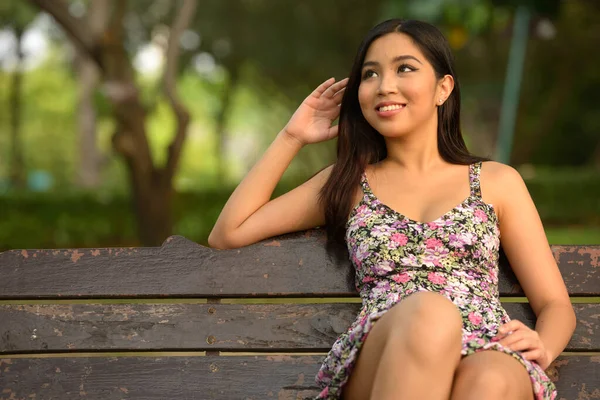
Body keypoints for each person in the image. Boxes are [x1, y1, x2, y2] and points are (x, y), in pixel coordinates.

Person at [208, 18, 575, 400]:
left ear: (443, 88)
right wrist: (292, 137)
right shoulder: (349, 182)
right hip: (388, 347)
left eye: (405, 68)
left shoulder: (497, 182)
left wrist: (543, 346)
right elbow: (229, 232)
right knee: (431, 315)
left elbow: (554, 304)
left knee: (494, 377)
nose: (385, 86)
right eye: (370, 74)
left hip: (486, 342)